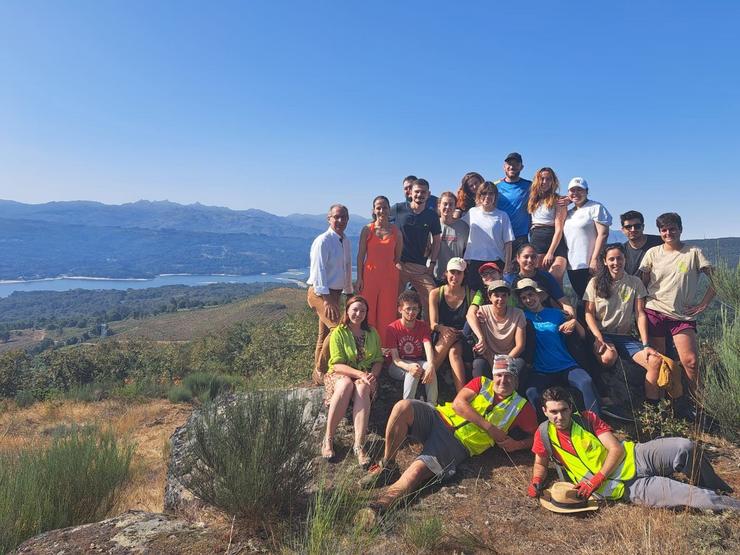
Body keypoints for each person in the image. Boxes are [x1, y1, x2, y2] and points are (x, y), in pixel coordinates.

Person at [359, 362, 537, 515]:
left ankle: (378, 507)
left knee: (415, 471)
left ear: (516, 381)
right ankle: (388, 466)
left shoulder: (521, 407)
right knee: (402, 407)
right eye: (499, 375)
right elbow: (459, 404)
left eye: (509, 377)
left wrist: (517, 444)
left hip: (457, 443)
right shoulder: (482, 383)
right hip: (438, 417)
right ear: (493, 375)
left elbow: (537, 436)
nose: (503, 380)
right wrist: (490, 428)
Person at [527, 386, 739, 511]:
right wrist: (537, 481)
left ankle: (716, 485)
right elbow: (540, 463)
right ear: (544, 411)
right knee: (696, 497)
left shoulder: (586, 419)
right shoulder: (544, 434)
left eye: (563, 410)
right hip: (628, 488)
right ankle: (733, 505)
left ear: (570, 408)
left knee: (685, 446)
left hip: (637, 456)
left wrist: (597, 478)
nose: (559, 416)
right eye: (553, 411)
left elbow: (616, 450)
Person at [639, 212, 715, 396]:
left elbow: (716, 279)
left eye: (672, 228)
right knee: (662, 361)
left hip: (682, 315)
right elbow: (643, 282)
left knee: (691, 361)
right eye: (663, 230)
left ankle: (697, 402)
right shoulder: (653, 253)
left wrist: (703, 304)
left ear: (680, 229)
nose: (668, 233)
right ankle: (669, 399)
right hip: (655, 311)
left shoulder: (694, 253)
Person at [584, 244, 663, 406]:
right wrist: (598, 338)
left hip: (625, 337)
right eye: (611, 259)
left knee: (654, 361)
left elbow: (640, 314)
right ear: (605, 262)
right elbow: (588, 313)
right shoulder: (595, 282)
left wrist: (645, 343)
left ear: (625, 259)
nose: (616, 262)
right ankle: (607, 396)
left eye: (619, 258)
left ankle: (652, 407)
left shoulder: (635, 282)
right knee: (607, 357)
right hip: (603, 334)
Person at [514, 278, 602, 418]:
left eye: (531, 295)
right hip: (541, 369)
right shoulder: (522, 317)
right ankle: (544, 429)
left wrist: (573, 321)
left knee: (586, 382)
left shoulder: (557, 313)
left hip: (566, 365)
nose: (528, 300)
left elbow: (583, 335)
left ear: (538, 295)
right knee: (532, 392)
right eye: (524, 298)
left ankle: (596, 424)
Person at [322, 296, 384, 468]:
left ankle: (359, 445)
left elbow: (378, 359)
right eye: (355, 309)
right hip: (341, 373)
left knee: (363, 388)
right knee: (345, 384)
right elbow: (337, 364)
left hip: (364, 376)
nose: (358, 313)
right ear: (347, 311)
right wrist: (359, 374)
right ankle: (328, 438)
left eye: (362, 311)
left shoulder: (372, 332)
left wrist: (372, 375)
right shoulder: (339, 333)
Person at [307, 204, 353, 385]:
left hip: (335, 294)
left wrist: (349, 293)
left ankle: (317, 377)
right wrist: (327, 300)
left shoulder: (346, 241)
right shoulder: (323, 241)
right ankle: (321, 369)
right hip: (320, 293)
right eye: (337, 217)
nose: (340, 221)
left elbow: (347, 269)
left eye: (344, 217)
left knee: (323, 334)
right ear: (329, 218)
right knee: (338, 331)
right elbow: (318, 270)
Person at [391, 178, 442, 322]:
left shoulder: (431, 215)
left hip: (420, 267)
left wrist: (432, 264)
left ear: (428, 194)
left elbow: (437, 240)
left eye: (423, 192)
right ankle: (396, 332)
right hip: (399, 265)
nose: (420, 195)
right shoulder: (398, 209)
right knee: (396, 301)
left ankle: (428, 331)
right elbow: (381, 222)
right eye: (417, 192)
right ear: (411, 193)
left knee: (432, 295)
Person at [356, 195, 403, 344]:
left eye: (384, 207)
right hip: (370, 276)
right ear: (373, 210)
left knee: (387, 315)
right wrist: (359, 278)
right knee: (367, 313)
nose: (381, 210)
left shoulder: (396, 232)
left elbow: (397, 257)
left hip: (389, 278)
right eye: (378, 207)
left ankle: (385, 353)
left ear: (389, 210)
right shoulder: (367, 230)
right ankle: (366, 348)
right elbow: (360, 256)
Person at [429, 257, 475, 392]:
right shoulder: (436, 293)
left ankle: (460, 395)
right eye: (452, 272)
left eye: (459, 273)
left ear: (464, 275)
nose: (455, 276)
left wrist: (461, 333)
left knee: (455, 352)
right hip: (442, 334)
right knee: (449, 340)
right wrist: (442, 328)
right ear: (446, 273)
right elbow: (433, 324)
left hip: (463, 336)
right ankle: (428, 378)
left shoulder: (470, 294)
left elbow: (472, 320)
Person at [562, 177, 612, 300]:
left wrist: (595, 259)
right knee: (582, 299)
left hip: (590, 264)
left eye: (580, 190)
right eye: (572, 190)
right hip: (573, 264)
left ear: (587, 191)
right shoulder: (568, 213)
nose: (576, 193)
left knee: (596, 299)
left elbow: (603, 234)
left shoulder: (595, 207)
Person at [385, 290, 438, 405]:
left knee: (429, 366)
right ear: (400, 310)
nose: (411, 312)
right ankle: (408, 406)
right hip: (397, 365)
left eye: (415, 309)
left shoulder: (423, 326)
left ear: (419, 310)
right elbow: (395, 359)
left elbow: (428, 346)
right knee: (413, 370)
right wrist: (409, 367)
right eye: (408, 309)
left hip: (416, 361)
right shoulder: (392, 328)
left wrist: (431, 365)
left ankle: (432, 405)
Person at [462, 181, 515, 293]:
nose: (487, 197)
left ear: (495, 196)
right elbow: (459, 229)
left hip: (495, 261)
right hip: (474, 261)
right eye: (484, 193)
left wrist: (507, 264)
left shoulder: (502, 215)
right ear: (479, 196)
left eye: (491, 194)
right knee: (474, 293)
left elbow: (508, 242)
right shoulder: (472, 213)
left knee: (496, 294)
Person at [466, 280, 526, 379]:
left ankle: (513, 393)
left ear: (508, 297)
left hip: (510, 357)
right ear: (490, 297)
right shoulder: (483, 311)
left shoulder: (518, 314)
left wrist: (503, 362)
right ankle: (482, 393)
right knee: (478, 364)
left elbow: (520, 345)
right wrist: (481, 338)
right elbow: (469, 316)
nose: (500, 299)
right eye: (496, 295)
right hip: (488, 357)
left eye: (504, 295)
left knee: (520, 364)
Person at [507, 243, 575, 318]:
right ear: (518, 258)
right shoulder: (512, 280)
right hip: (524, 320)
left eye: (533, 257)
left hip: (549, 318)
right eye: (526, 257)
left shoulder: (545, 277)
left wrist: (572, 319)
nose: (529, 260)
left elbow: (563, 301)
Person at [527, 167, 568, 287]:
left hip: (555, 239)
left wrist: (550, 252)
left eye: (548, 179)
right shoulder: (533, 200)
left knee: (555, 278)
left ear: (553, 181)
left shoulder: (558, 200)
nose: (544, 182)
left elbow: (559, 228)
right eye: (542, 179)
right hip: (537, 238)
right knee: (539, 280)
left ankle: (559, 306)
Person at [495, 152, 532, 257]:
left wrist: (568, 199)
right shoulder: (495, 186)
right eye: (509, 164)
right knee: (501, 271)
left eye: (516, 164)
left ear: (522, 167)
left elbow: (548, 194)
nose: (512, 167)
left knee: (521, 271)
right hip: (500, 237)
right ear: (504, 167)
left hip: (521, 237)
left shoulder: (530, 186)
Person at [435, 191, 469, 285]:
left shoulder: (463, 227)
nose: (448, 207)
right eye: (445, 204)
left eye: (451, 204)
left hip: (456, 277)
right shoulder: (433, 225)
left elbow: (467, 252)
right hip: (435, 274)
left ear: (455, 207)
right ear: (439, 206)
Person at [620, 210, 662, 276]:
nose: (633, 229)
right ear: (623, 230)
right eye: (628, 227)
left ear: (643, 227)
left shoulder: (660, 242)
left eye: (637, 226)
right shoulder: (621, 251)